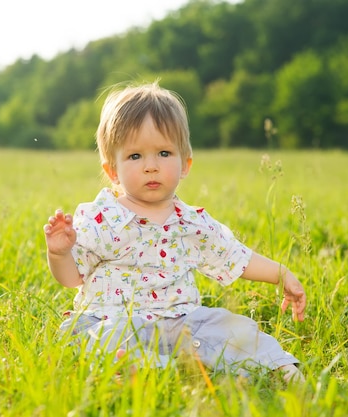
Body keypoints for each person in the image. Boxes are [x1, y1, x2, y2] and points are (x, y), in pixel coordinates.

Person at [43, 82, 306, 383]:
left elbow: (235, 257)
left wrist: (281, 273)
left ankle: (275, 366)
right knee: (101, 338)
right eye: (135, 157)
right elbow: (71, 278)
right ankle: (141, 369)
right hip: (116, 320)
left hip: (182, 322)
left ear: (185, 164)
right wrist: (59, 252)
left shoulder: (192, 223)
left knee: (231, 327)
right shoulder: (102, 217)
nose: (151, 166)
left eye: (164, 153)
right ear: (112, 169)